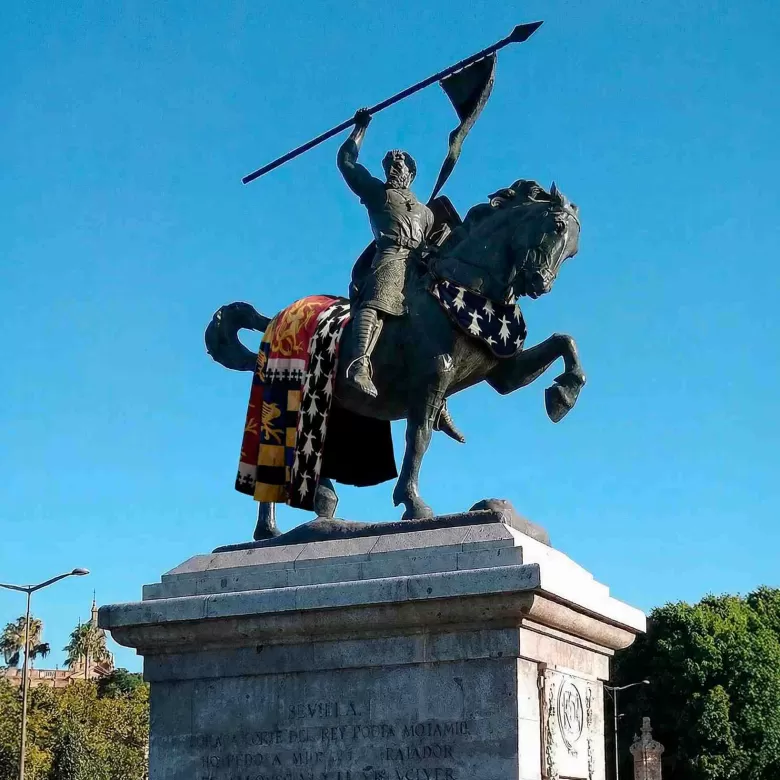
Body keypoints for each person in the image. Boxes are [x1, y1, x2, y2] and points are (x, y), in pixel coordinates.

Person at [337, 108, 434, 398]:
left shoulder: (426, 213)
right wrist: (360, 129)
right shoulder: (378, 193)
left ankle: (436, 393)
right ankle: (359, 364)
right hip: (390, 257)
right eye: (390, 163)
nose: (394, 166)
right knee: (378, 300)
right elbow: (346, 162)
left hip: (418, 264)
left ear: (411, 173)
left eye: (400, 163)